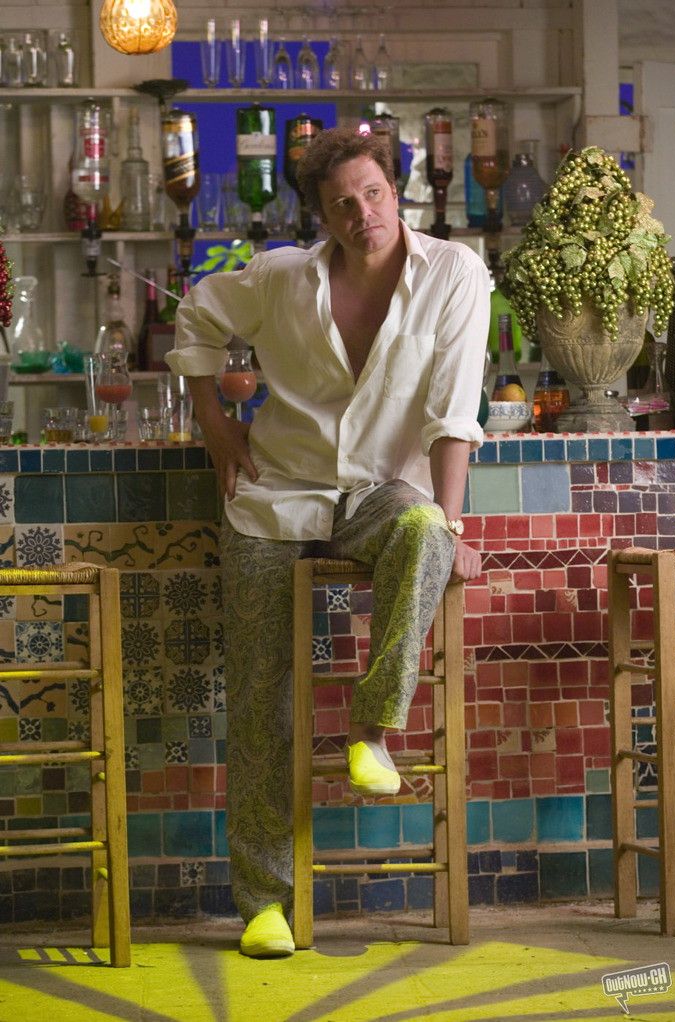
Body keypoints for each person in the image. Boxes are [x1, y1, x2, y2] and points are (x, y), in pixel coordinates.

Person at [166, 126, 489, 958]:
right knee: (263, 692)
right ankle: (264, 904)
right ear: (322, 213)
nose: (362, 213)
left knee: (425, 527)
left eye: (373, 193)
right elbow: (197, 313)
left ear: (396, 189)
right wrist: (215, 428)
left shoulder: (454, 275)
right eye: (342, 202)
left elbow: (452, 416)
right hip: (272, 500)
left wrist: (453, 526)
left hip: (382, 494)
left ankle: (370, 727)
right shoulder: (280, 278)